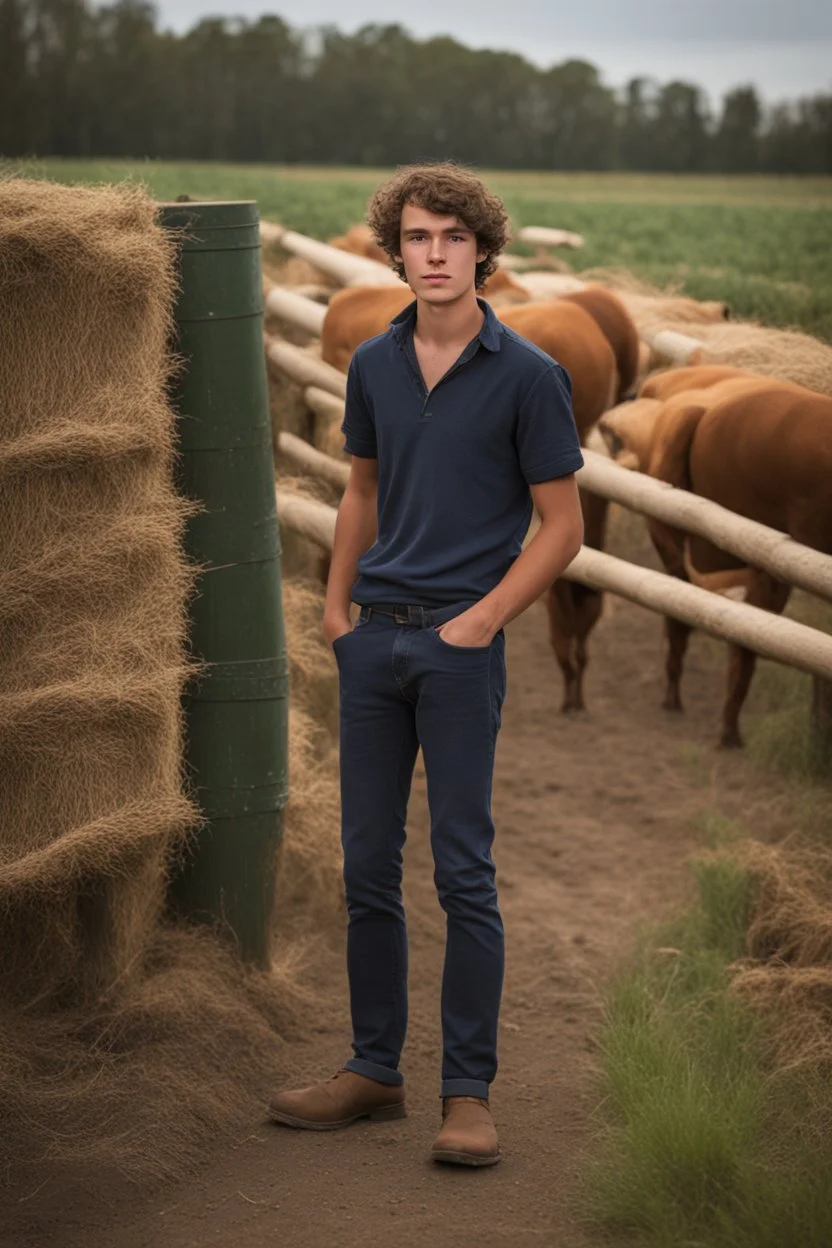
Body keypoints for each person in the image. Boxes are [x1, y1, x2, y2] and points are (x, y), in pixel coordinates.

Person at [269, 163, 584, 1167]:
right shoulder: (372, 362)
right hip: (372, 643)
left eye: (452, 237)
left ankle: (467, 1093)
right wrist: (333, 607)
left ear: (482, 250)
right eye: (416, 237)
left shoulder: (530, 374)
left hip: (458, 648)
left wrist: (485, 619)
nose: (434, 253)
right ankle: (371, 1070)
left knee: (462, 872)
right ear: (394, 250)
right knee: (365, 865)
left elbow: (563, 527)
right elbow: (359, 492)